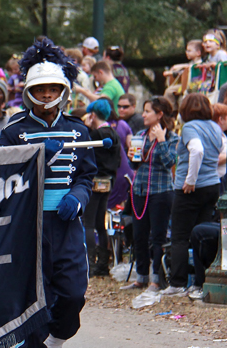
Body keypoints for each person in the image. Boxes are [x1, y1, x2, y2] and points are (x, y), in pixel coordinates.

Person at [0, 38, 97, 348]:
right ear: (29, 93)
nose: (47, 95)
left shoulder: (79, 130)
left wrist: (77, 197)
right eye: (40, 90)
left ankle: (55, 345)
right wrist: (37, 154)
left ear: (64, 91)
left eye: (53, 88)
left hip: (67, 224)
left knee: (73, 295)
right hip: (29, 226)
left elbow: (87, 175)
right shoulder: (13, 132)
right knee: (33, 298)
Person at [159, 93, 226, 297]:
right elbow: (220, 150)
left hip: (190, 189)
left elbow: (197, 150)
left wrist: (191, 179)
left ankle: (177, 283)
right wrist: (212, 174)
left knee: (180, 236)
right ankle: (200, 281)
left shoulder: (189, 127)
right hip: (212, 186)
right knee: (201, 235)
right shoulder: (215, 126)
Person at [125, 97, 179, 297]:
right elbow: (134, 164)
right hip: (140, 190)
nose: (143, 115)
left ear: (159, 114)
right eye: (144, 111)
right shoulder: (140, 135)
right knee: (139, 235)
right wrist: (132, 157)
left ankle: (156, 278)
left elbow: (169, 162)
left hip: (161, 191)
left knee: (158, 236)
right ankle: (141, 276)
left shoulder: (172, 137)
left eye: (148, 111)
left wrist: (161, 141)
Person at [82, 100, 120, 277]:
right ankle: (103, 264)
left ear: (92, 115)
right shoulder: (114, 133)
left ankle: (89, 263)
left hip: (94, 180)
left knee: (88, 223)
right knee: (100, 223)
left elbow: (86, 153)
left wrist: (87, 128)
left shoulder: (95, 134)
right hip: (108, 180)